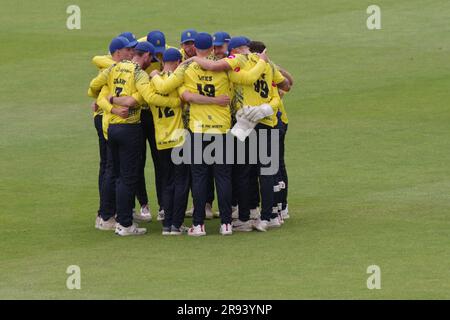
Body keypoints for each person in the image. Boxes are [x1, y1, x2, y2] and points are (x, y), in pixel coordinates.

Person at [191, 36, 291, 232]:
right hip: (267, 121)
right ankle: (269, 216)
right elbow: (285, 85)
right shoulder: (267, 65)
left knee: (244, 171)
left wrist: (192, 60)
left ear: (235, 50)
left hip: (246, 122)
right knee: (267, 171)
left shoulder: (236, 61)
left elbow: (217, 67)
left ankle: (245, 218)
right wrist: (267, 107)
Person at [89, 41, 181, 236]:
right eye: (151, 58)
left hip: (112, 128)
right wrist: (175, 102)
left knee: (116, 174)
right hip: (129, 128)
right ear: (146, 55)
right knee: (128, 177)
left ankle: (111, 218)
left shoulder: (113, 68)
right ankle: (125, 224)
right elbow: (149, 97)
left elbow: (93, 89)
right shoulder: (138, 73)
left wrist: (113, 102)